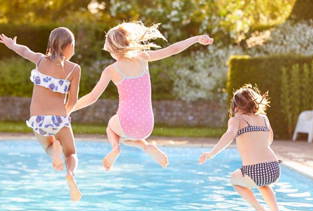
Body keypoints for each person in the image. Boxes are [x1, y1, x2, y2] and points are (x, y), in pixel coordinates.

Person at [73, 22, 213, 170]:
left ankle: (115, 148)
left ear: (113, 50)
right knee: (129, 137)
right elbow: (173, 49)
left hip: (126, 123)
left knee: (111, 129)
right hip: (147, 125)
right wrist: (196, 38)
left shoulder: (110, 70)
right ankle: (146, 146)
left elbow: (92, 97)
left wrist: (70, 109)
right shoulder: (143, 58)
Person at [0, 27, 82, 201]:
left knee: (48, 147)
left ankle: (54, 151)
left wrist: (12, 45)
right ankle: (70, 174)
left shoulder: (41, 61)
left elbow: (24, 51)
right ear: (69, 46)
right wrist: (63, 117)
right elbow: (72, 100)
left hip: (38, 120)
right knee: (71, 153)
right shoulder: (74, 69)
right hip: (59, 119)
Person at [199, 84, 286, 211]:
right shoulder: (264, 118)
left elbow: (229, 136)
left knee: (234, 180)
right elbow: (269, 140)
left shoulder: (236, 120)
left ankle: (260, 210)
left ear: (235, 105)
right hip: (274, 168)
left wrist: (210, 154)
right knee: (264, 185)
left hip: (255, 170)